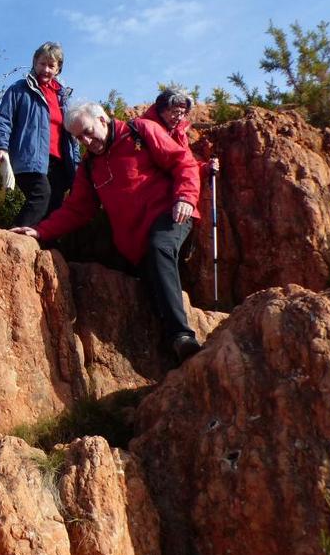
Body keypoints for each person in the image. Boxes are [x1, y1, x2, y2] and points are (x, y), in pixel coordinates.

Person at [11, 100, 204, 362]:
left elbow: (183, 162)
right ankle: (170, 358)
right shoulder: (90, 166)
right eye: (79, 138)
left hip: (170, 215)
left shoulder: (140, 131)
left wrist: (185, 197)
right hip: (134, 241)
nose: (86, 141)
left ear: (102, 119)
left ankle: (183, 336)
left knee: (160, 248)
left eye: (88, 132)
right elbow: (77, 210)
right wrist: (39, 231)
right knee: (148, 287)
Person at [0, 41, 80, 226]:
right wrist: (0, 146)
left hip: (58, 162)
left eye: (51, 65)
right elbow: (3, 119)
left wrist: (76, 164)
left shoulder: (62, 97)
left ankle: (44, 247)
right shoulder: (20, 89)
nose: (46, 69)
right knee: (40, 196)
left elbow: (71, 136)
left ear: (58, 69)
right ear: (34, 62)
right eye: (42, 64)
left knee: (55, 206)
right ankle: (12, 240)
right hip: (30, 158)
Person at [145, 88, 219, 179]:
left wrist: (205, 168)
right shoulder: (142, 132)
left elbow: (186, 164)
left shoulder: (178, 133)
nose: (179, 117)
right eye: (175, 112)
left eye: (182, 113)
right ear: (161, 109)